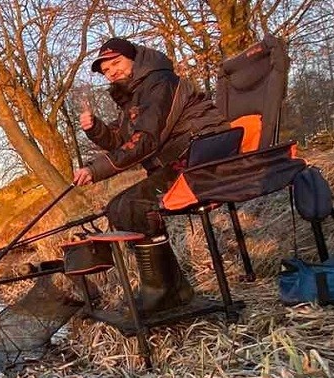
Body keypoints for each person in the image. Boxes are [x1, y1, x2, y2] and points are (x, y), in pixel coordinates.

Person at [73, 37, 229, 314]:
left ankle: (162, 292)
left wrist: (95, 170)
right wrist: (95, 128)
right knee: (117, 207)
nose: (112, 72)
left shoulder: (160, 83)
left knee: (135, 204)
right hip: (179, 160)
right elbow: (123, 140)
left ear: (135, 58)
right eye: (106, 71)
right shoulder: (133, 96)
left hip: (203, 154)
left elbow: (145, 140)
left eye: (116, 63)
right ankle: (173, 289)